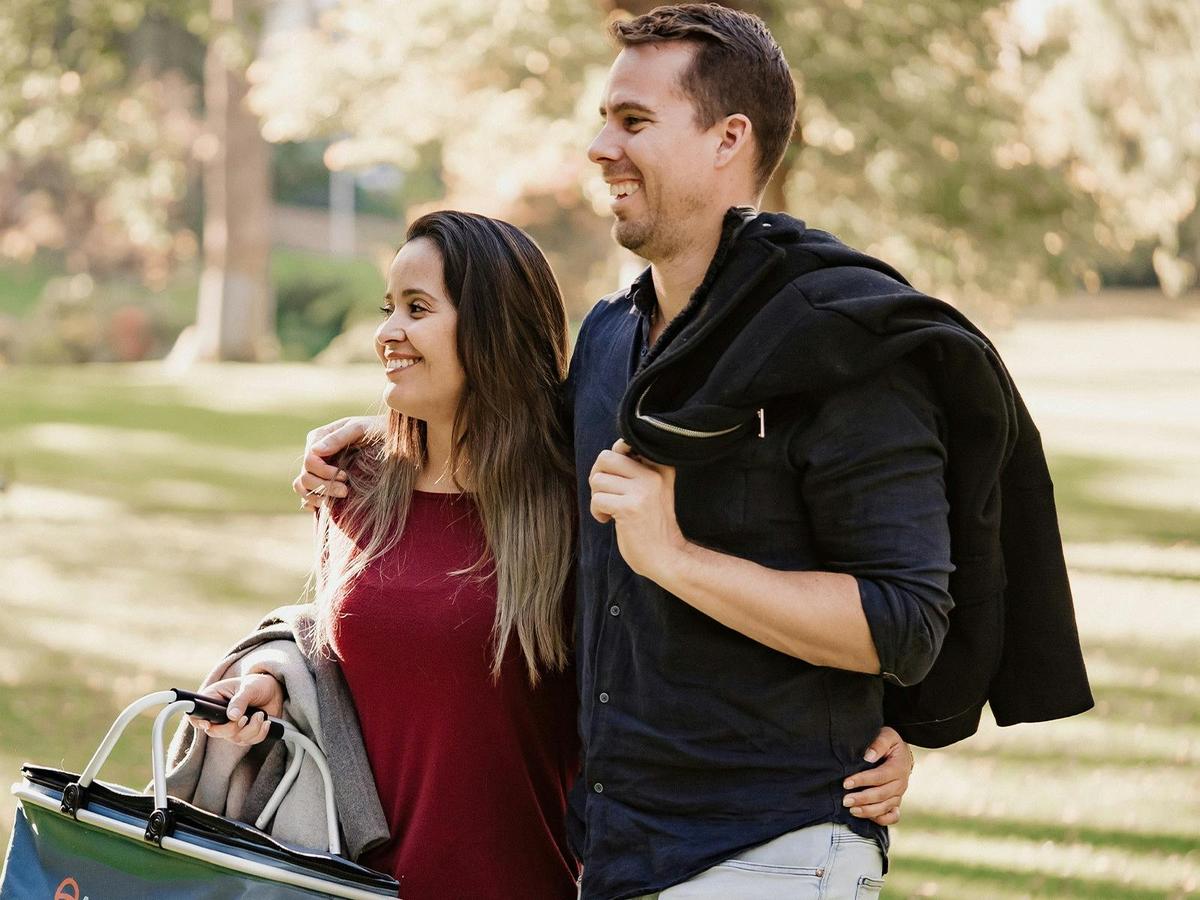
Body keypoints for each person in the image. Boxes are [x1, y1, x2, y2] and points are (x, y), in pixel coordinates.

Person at [197, 211, 582, 899]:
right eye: (388, 308)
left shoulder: (571, 507)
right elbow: (343, 653)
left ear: (493, 330)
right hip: (341, 889)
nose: (386, 332)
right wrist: (278, 679)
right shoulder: (355, 484)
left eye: (417, 308)